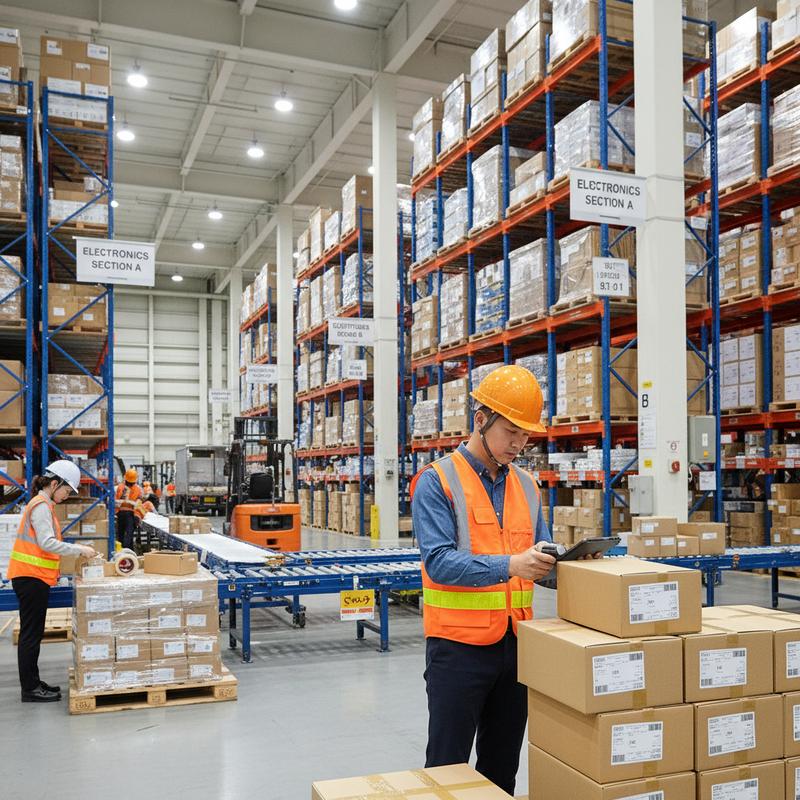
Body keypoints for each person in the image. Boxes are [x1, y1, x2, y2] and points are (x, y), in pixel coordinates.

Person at [411, 365, 597, 795]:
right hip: (457, 650)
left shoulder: (528, 485)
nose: (519, 443)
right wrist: (511, 565)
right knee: (446, 769)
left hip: (516, 647)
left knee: (501, 768)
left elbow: (540, 557)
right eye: (511, 432)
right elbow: (439, 562)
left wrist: (576, 565)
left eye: (525, 435)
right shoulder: (437, 481)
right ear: (481, 420)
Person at [7, 460, 97, 702]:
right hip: (30, 578)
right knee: (30, 635)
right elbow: (46, 543)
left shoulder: (44, 505)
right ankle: (30, 689)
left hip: (34, 578)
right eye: (66, 490)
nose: (67, 496)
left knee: (33, 634)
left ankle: (34, 682)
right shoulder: (41, 506)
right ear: (55, 483)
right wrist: (79, 549)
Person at [115, 468, 141, 550]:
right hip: (129, 514)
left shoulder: (120, 487)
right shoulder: (137, 489)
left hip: (122, 513)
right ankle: (126, 550)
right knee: (128, 534)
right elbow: (138, 503)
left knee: (122, 534)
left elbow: (116, 501)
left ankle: (123, 550)